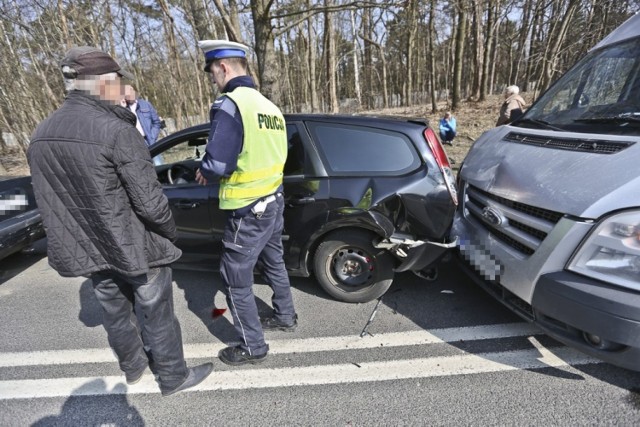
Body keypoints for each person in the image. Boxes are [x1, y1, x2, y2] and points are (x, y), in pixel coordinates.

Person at [27, 46, 212, 396]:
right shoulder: (116, 130)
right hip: (134, 244)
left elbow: (49, 201)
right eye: (117, 80)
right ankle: (173, 376)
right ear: (103, 84)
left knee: (113, 309)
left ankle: (133, 367)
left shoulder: (41, 134)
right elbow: (150, 201)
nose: (121, 86)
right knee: (156, 310)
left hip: (89, 244)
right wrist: (169, 234)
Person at [195, 40, 297, 366]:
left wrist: (203, 170)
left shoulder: (230, 104)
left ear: (223, 67)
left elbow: (218, 163)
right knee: (274, 261)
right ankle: (285, 315)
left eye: (212, 73)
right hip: (274, 199)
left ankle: (252, 347)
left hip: (248, 207)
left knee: (235, 277)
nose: (213, 79)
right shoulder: (270, 107)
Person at [122, 84, 163, 165]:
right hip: (136, 144)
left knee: (159, 165)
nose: (129, 95)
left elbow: (156, 122)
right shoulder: (123, 109)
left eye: (131, 92)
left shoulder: (145, 104)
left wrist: (152, 136)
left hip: (150, 141)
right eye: (126, 94)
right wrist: (122, 108)